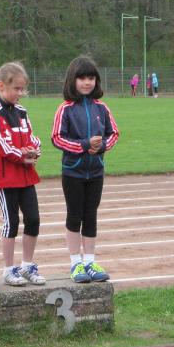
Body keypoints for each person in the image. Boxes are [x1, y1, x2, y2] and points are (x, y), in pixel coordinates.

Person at [51, 56, 120, 283]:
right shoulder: (65, 109)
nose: (87, 82)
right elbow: (57, 138)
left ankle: (90, 261)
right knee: (75, 216)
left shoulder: (102, 107)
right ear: (73, 80)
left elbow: (113, 133)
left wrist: (101, 147)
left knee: (91, 215)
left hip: (96, 171)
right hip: (73, 172)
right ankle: (75, 263)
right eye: (82, 78)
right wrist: (83, 145)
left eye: (91, 78)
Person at [0, 62, 45, 286]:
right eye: (16, 89)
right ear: (1, 86)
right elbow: (0, 143)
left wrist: (34, 150)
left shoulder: (21, 112)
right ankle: (9, 269)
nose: (20, 93)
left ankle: (27, 266)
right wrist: (22, 155)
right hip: (7, 178)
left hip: (26, 176)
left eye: (23, 89)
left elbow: (32, 137)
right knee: (11, 222)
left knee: (33, 220)